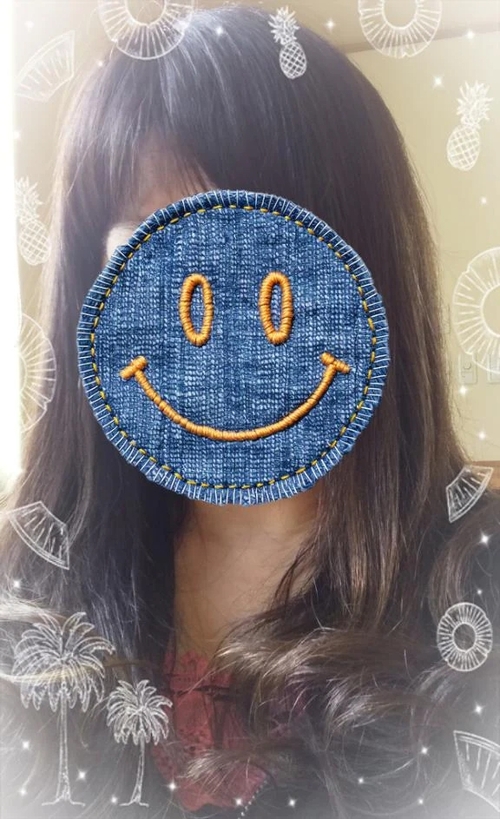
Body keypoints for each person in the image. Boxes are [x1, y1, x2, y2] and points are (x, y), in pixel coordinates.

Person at [0, 5, 499, 819]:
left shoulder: (479, 584)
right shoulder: (31, 581)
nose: (221, 327)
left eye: (269, 262)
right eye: (153, 255)